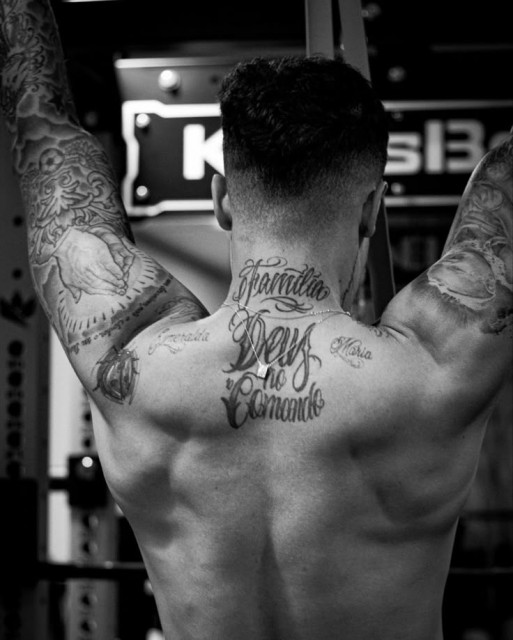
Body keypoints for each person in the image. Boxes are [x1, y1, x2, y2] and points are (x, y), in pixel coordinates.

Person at [1, 0, 511, 638]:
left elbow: (42, 125)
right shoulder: (435, 367)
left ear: (220, 196)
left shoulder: (130, 359)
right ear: (371, 210)